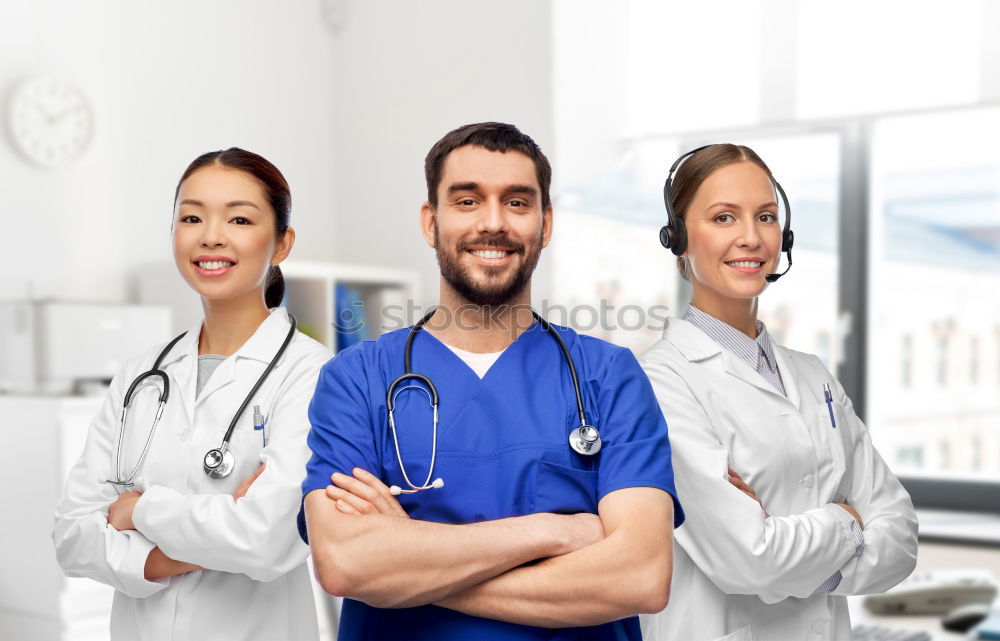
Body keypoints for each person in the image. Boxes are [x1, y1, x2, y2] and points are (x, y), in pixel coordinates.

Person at [299, 122, 684, 641]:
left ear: (546, 224)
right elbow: (346, 564)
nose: (493, 222)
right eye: (467, 201)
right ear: (430, 221)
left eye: (518, 203)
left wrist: (406, 560)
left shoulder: (608, 376)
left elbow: (640, 576)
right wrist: (558, 530)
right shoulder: (356, 379)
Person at [639, 144, 918, 641]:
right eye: (724, 217)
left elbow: (899, 535)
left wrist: (802, 560)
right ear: (679, 238)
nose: (751, 237)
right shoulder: (660, 381)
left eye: (766, 216)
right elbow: (748, 559)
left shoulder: (812, 376)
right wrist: (846, 519)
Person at [53, 148, 330, 641]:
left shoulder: (312, 373)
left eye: (240, 218)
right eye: (192, 217)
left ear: (282, 243)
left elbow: (267, 539)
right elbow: (73, 536)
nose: (211, 236)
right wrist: (172, 556)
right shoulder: (142, 375)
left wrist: (135, 510)